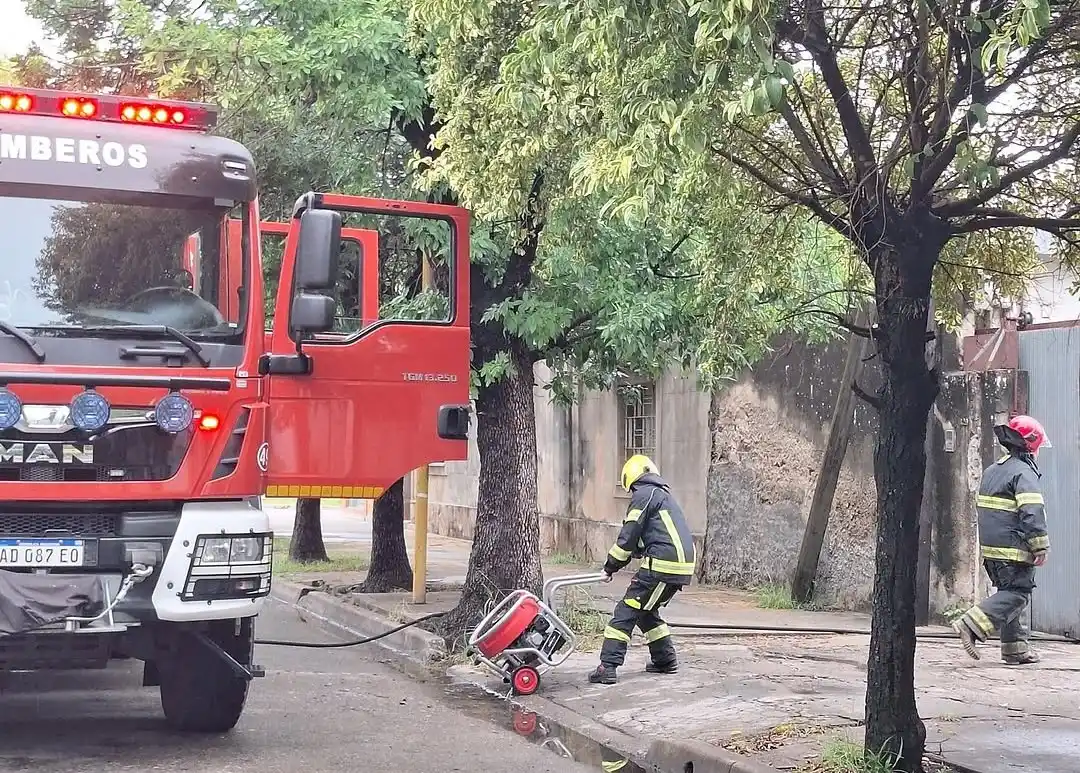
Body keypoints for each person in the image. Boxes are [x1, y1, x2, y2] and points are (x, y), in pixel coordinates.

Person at [588, 454, 696, 685]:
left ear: (631, 480)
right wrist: (624, 559)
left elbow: (629, 535)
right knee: (645, 611)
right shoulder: (661, 495)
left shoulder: (643, 495)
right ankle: (665, 660)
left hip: (661, 566)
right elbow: (640, 541)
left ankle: (607, 666)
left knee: (625, 611)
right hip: (677, 566)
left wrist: (610, 567)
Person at [953, 415, 1051, 665]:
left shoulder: (993, 470)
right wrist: (1040, 546)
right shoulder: (1023, 472)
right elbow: (1032, 512)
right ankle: (971, 623)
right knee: (1018, 594)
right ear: (1031, 444)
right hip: (1014, 548)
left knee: (1008, 592)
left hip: (992, 551)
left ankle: (1014, 649)